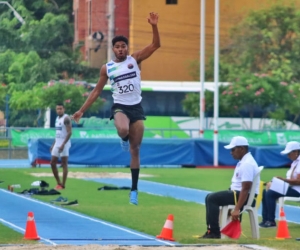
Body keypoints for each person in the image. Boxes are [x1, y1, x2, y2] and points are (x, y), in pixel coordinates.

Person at [72, 12, 161, 205]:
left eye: (123, 46)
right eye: (117, 47)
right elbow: (96, 91)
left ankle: (134, 190)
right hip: (120, 106)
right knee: (122, 129)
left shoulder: (135, 60)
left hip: (136, 107)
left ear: (127, 48)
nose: (121, 49)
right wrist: (81, 110)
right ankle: (123, 137)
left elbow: (155, 46)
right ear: (113, 49)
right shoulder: (107, 68)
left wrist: (154, 25)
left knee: (135, 150)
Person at [201, 136, 260, 239]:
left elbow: (246, 188)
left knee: (211, 198)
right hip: (237, 193)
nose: (231, 152)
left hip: (243, 195)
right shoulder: (244, 161)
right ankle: (212, 230)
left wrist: (237, 209)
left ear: (241, 149)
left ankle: (214, 233)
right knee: (209, 197)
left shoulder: (247, 164)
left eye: (233, 149)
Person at [259, 141, 300, 228]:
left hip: (297, 190)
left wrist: (283, 180)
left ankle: (271, 221)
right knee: (265, 191)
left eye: (289, 153)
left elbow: (298, 181)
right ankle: (265, 219)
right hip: (292, 188)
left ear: (296, 152)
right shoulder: (295, 162)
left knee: (270, 193)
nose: (287, 156)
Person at [50, 103, 72, 190]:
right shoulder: (57, 118)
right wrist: (53, 144)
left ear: (64, 109)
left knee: (64, 163)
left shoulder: (66, 118)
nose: (59, 110)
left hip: (64, 143)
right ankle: (58, 182)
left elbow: (69, 132)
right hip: (57, 143)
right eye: (57, 109)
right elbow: (57, 133)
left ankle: (63, 184)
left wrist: (63, 144)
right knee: (52, 163)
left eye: (61, 109)